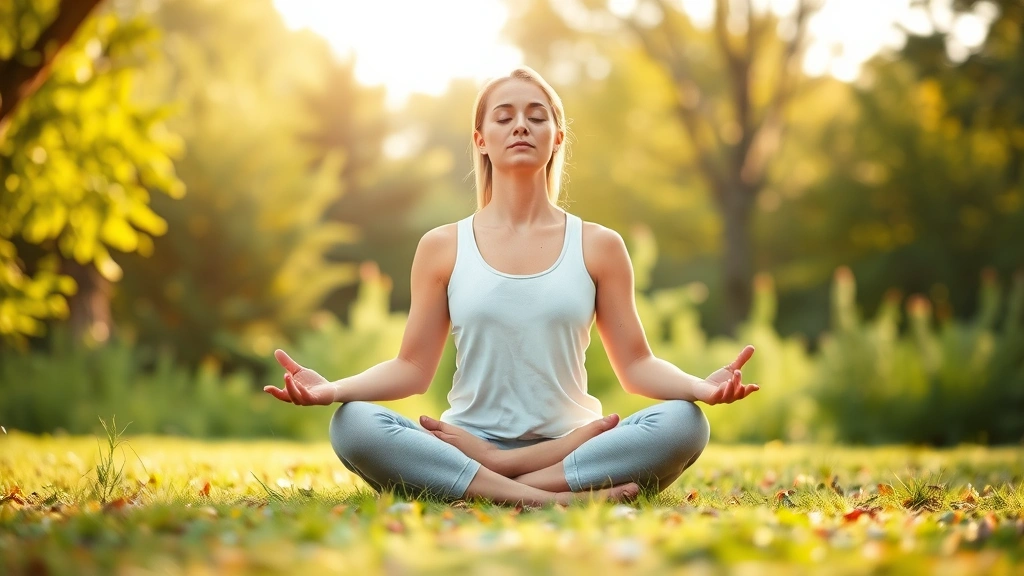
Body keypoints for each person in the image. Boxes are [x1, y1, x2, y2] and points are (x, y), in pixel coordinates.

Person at [264, 67, 759, 507]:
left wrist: (701, 388)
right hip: (468, 437)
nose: (521, 124)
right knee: (353, 425)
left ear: (557, 137)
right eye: (504, 116)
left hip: (576, 444)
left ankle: (492, 482)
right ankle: (552, 497)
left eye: (536, 116)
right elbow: (412, 368)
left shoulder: (599, 245)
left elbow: (636, 366)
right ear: (480, 139)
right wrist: (332, 390)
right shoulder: (442, 246)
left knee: (684, 423)